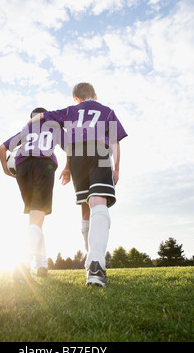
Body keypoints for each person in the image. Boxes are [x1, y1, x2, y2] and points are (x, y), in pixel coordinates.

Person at [29, 83, 128, 287]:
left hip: (76, 156)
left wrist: (28, 129)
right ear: (95, 95)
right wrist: (116, 167)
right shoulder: (107, 111)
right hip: (99, 151)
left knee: (85, 209)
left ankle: (91, 261)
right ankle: (95, 264)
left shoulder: (70, 110)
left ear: (76, 98)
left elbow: (41, 118)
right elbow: (116, 142)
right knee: (99, 204)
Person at [0, 107, 64, 284]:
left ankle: (41, 264)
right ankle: (22, 267)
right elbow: (71, 147)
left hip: (22, 169)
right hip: (43, 166)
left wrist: (6, 170)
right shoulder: (54, 127)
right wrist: (69, 168)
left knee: (35, 220)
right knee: (37, 219)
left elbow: (2, 148)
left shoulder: (25, 131)